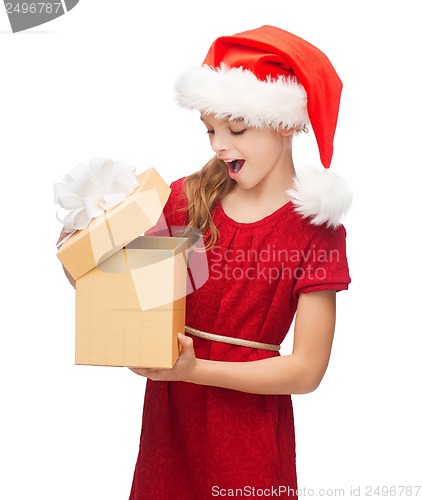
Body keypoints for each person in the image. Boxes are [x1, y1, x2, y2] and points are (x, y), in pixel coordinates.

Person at [128, 25, 351, 499]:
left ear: (286, 123)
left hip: (246, 439)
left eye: (236, 129)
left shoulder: (315, 231)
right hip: (170, 431)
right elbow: (135, 295)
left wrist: (193, 371)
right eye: (210, 130)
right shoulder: (183, 200)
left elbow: (307, 370)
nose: (217, 144)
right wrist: (84, 255)